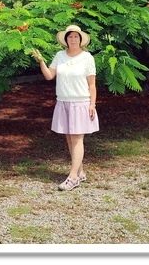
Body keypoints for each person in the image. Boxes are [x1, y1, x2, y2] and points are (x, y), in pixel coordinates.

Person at [32, 24, 99, 191]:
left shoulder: (87, 58)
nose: (73, 39)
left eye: (76, 37)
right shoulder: (60, 55)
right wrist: (41, 61)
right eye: (70, 37)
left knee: (77, 139)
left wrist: (92, 104)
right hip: (63, 102)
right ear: (66, 40)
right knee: (70, 138)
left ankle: (73, 177)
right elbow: (49, 75)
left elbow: (92, 85)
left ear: (81, 39)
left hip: (80, 103)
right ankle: (80, 172)